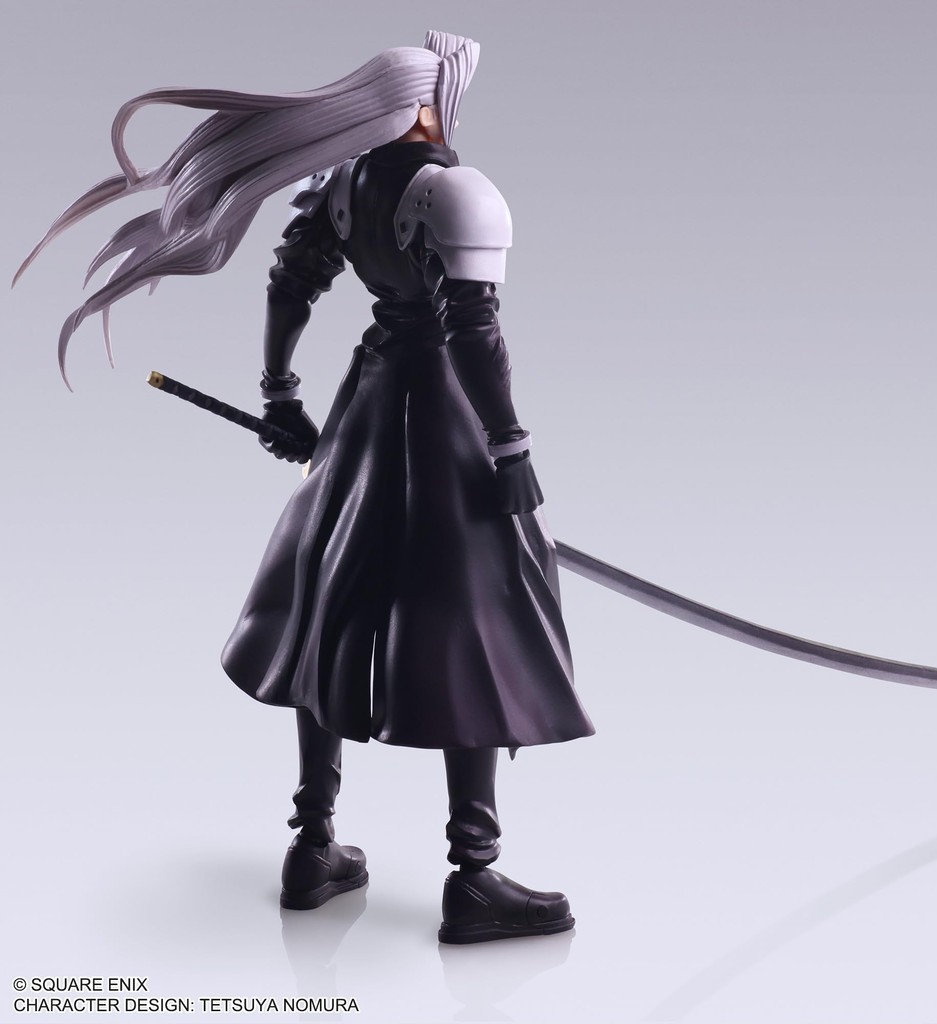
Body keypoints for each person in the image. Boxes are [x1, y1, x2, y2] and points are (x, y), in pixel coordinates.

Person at [17, 31, 594, 943]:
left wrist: (281, 392)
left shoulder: (348, 185)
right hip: (441, 416)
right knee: (477, 618)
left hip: (369, 409)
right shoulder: (458, 192)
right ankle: (473, 876)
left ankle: (313, 846)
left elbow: (293, 282)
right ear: (424, 104)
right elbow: (474, 334)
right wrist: (510, 445)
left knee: (333, 599)